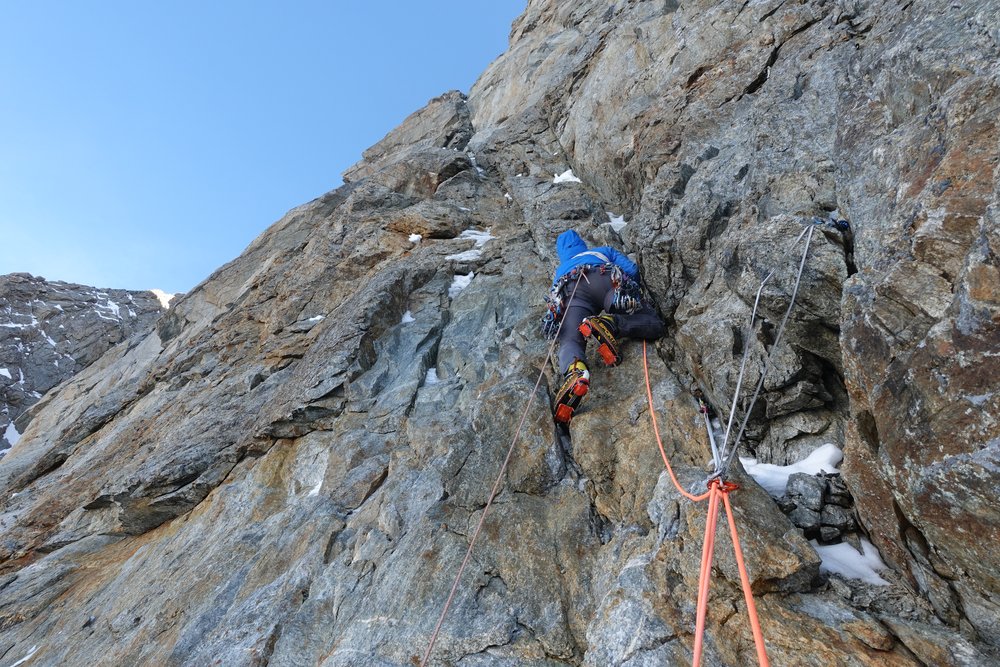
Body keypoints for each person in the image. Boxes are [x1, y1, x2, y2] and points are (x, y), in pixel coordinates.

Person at [542, 230, 665, 423]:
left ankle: (577, 370)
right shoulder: (601, 251)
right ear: (581, 244)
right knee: (653, 323)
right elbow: (631, 270)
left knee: (570, 339)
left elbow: (554, 299)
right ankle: (609, 322)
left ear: (561, 253)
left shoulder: (561, 269)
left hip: (569, 291)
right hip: (602, 277)